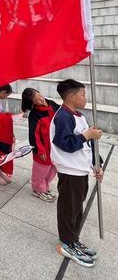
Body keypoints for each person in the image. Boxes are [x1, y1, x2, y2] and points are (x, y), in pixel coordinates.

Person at [51, 79, 103, 268]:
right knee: (69, 208)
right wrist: (86, 135)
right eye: (83, 94)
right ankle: (66, 242)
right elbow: (65, 143)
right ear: (71, 96)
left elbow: (88, 145)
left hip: (81, 170)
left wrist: (98, 164)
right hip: (70, 171)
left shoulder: (79, 116)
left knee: (76, 207)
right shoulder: (63, 116)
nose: (85, 98)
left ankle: (73, 238)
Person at [22, 88, 60, 201]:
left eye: (40, 95)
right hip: (43, 146)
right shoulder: (34, 114)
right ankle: (38, 190)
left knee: (53, 167)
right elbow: (33, 134)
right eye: (37, 99)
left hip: (56, 144)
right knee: (41, 169)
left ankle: (45, 186)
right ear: (32, 103)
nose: (41, 99)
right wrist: (39, 150)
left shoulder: (52, 104)